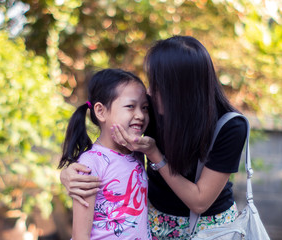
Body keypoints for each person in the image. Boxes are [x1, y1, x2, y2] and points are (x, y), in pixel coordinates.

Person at [60, 36, 247, 240]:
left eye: (157, 84)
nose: (149, 92)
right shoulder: (150, 110)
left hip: (211, 230)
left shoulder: (229, 126)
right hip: (158, 227)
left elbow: (200, 201)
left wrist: (154, 153)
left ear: (179, 89)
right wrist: (69, 174)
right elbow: (108, 153)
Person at [58, 68, 152, 240]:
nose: (140, 115)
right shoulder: (91, 163)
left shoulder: (137, 154)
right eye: (130, 106)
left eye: (144, 107)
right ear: (100, 111)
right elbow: (80, 236)